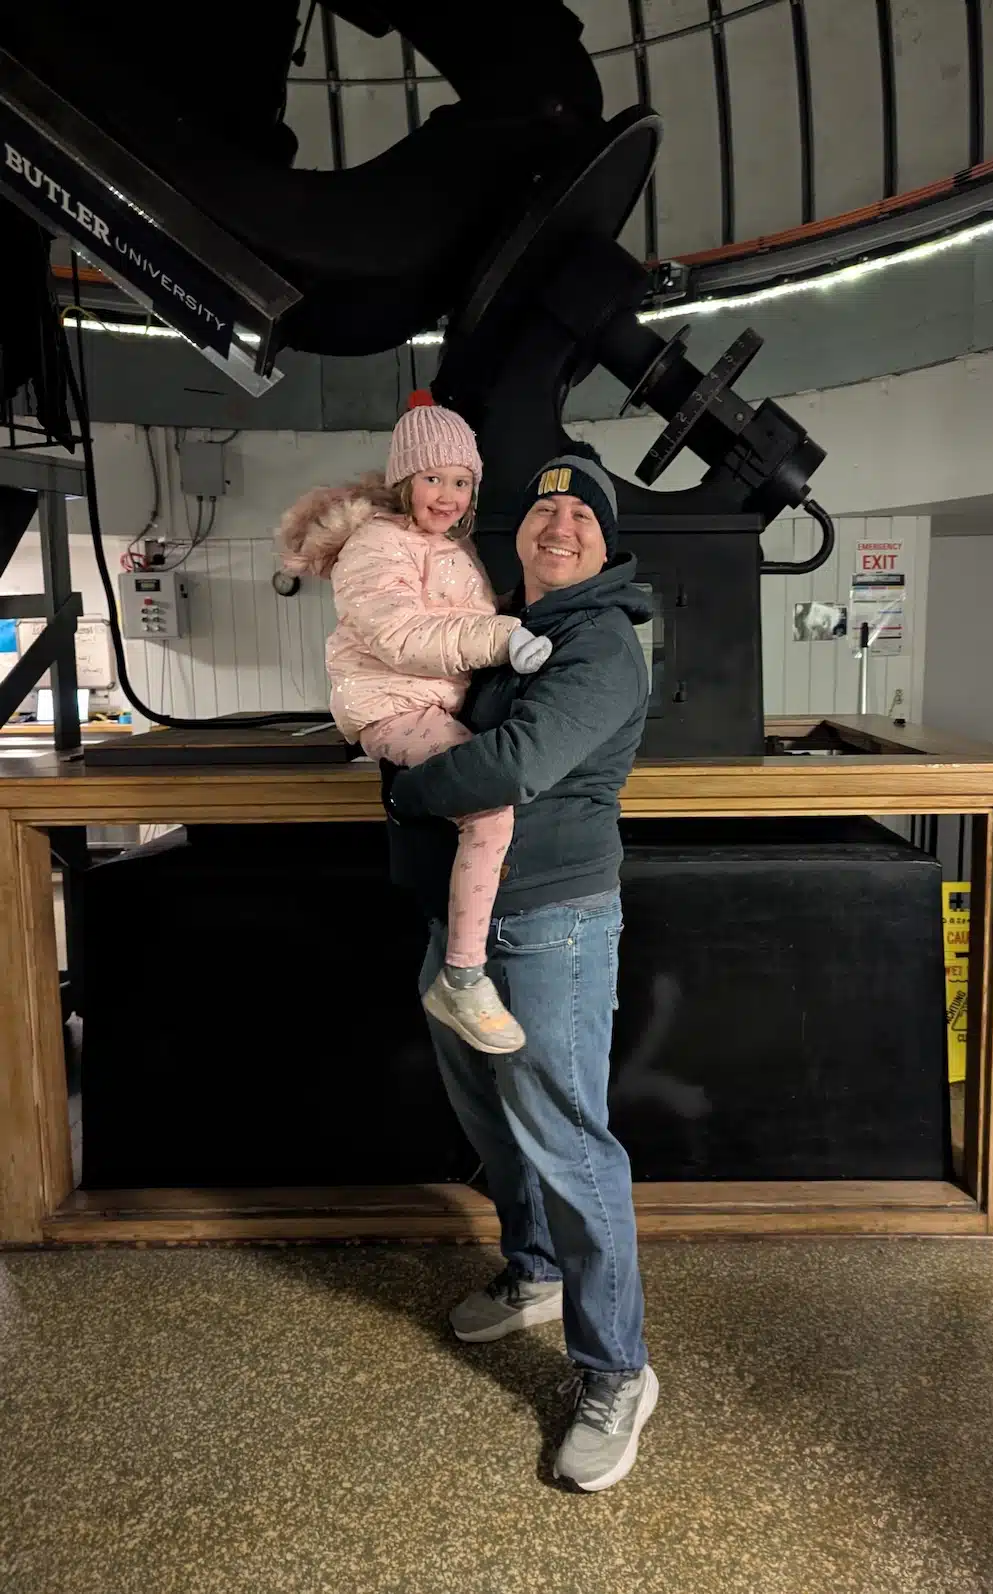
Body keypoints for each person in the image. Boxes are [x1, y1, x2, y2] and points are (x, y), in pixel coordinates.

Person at [381, 441, 657, 1492]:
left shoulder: (599, 644)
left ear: (604, 536)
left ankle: (616, 1372)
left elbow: (513, 764)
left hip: (551, 925)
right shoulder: (516, 632)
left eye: (580, 513)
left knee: (568, 1140)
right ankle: (536, 1271)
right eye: (543, 513)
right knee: (493, 1119)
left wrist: (404, 790)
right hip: (466, 922)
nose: (558, 526)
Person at [276, 397, 551, 1055]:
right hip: (392, 707)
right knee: (489, 808)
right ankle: (463, 975)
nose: (448, 494)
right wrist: (505, 635)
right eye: (433, 478)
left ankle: (468, 936)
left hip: (427, 703)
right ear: (404, 480)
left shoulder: (443, 547)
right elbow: (403, 635)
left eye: (461, 481)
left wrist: (522, 614)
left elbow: (460, 616)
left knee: (490, 803)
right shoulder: (377, 544)